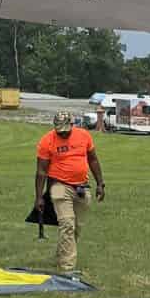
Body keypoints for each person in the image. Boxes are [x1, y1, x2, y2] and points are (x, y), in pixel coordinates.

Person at [33, 110, 105, 277]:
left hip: (82, 186)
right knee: (67, 223)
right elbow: (41, 171)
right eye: (60, 130)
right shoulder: (47, 141)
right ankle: (67, 269)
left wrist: (100, 183)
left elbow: (93, 159)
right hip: (58, 186)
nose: (63, 133)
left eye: (66, 130)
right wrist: (38, 197)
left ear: (72, 125)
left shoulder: (84, 136)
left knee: (76, 227)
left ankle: (61, 255)